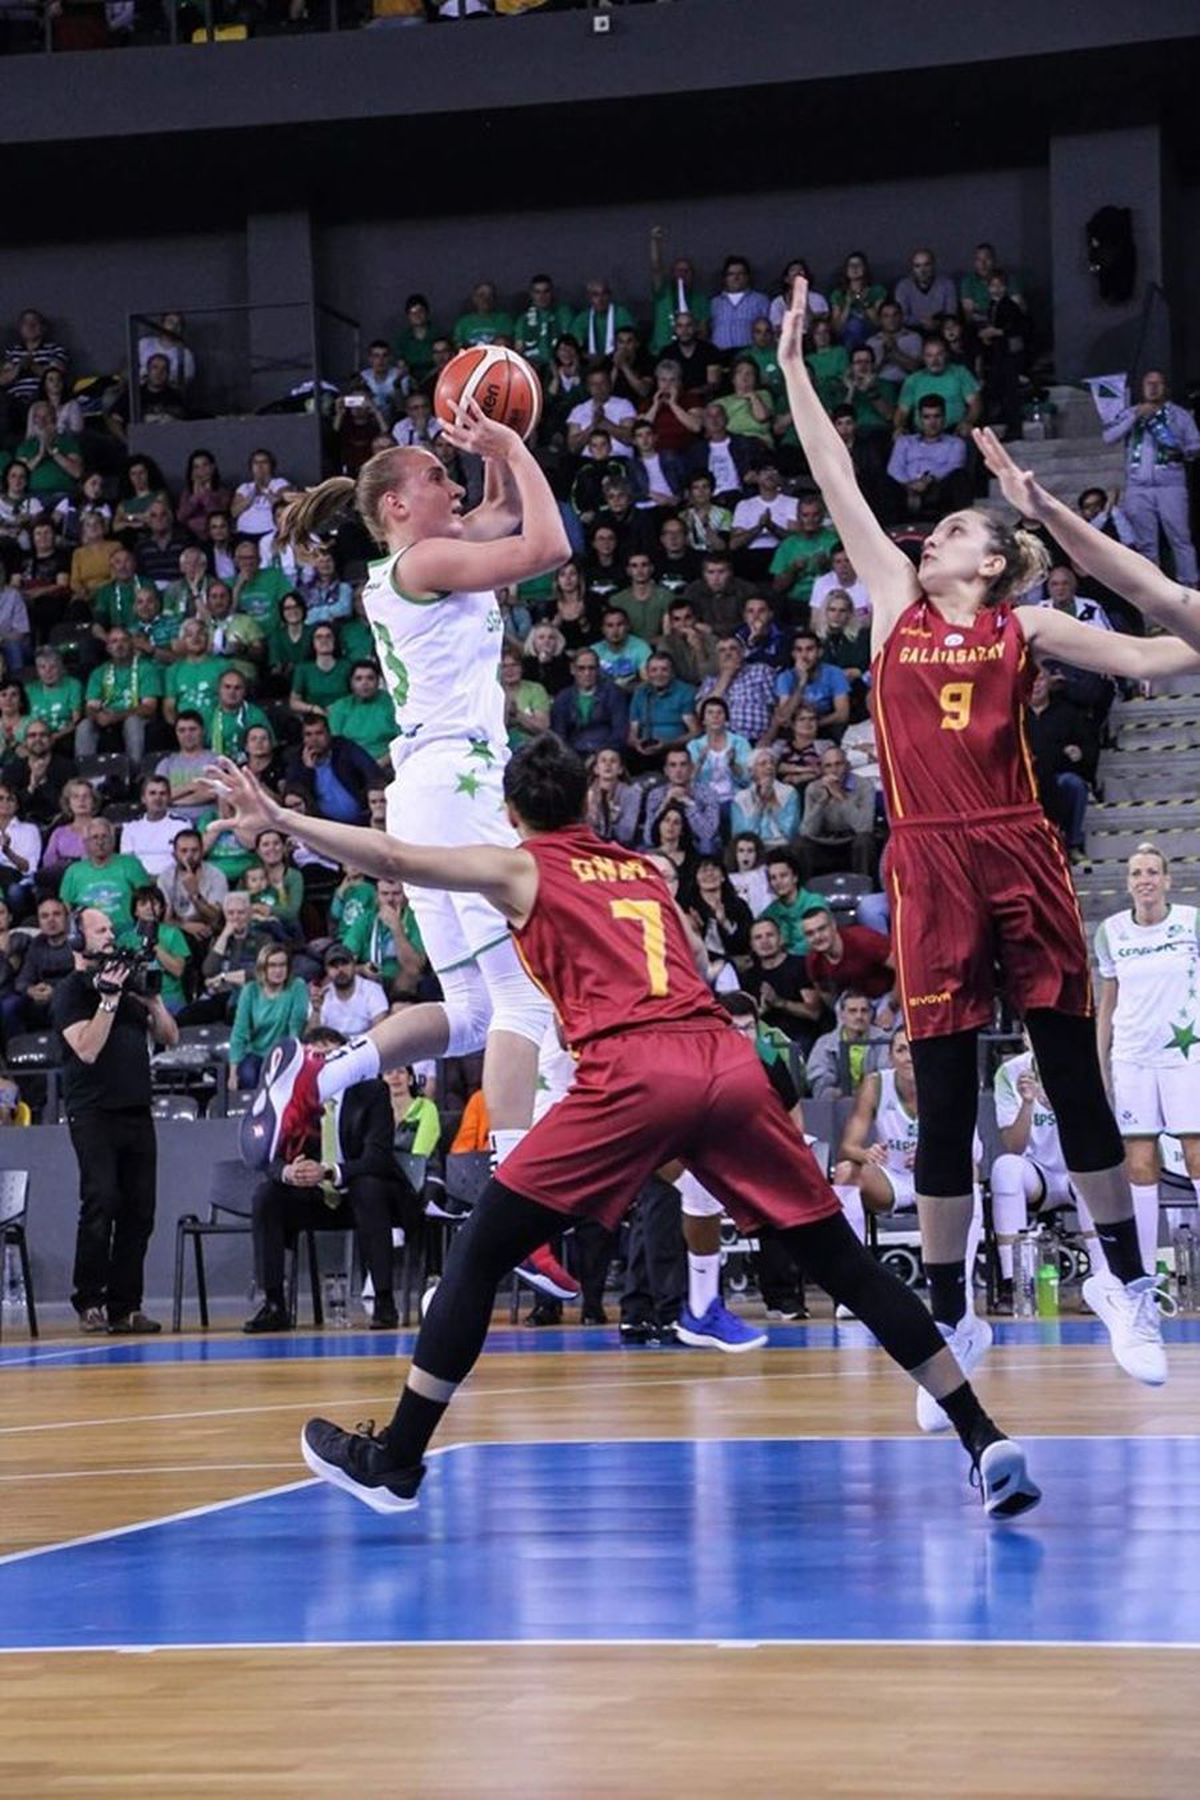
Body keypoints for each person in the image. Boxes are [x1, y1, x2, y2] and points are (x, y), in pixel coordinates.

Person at [214, 737, 1038, 1521]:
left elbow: (394, 858)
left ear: (513, 812)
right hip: (721, 1057)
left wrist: (280, 821)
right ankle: (983, 1436)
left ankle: (397, 1458)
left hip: (635, 1071)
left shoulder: (520, 866)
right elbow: (680, 955)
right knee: (844, 1264)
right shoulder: (643, 866)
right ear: (587, 801)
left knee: (479, 1250)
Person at [780, 274, 1196, 1400]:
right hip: (926, 855)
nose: (930, 537)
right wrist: (790, 367)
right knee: (949, 1097)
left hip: (1017, 846)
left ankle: (1124, 1284)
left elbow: (1164, 652)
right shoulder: (886, 604)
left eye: (955, 530)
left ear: (994, 562)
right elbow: (834, 480)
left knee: (1071, 1074)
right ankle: (958, 1315)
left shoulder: (1030, 624)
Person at [242, 400, 562, 1245]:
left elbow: (502, 515)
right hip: (458, 782)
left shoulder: (418, 560)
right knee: (525, 999)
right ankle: (512, 1202)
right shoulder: (419, 563)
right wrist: (508, 444)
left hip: (433, 780)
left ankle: (326, 1068)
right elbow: (547, 546)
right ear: (395, 505)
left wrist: (494, 448)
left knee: (470, 1008)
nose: (451, 484)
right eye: (436, 477)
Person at [53, 904, 179, 1333]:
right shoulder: (71, 991)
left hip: (136, 1108)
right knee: (101, 1201)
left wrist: (155, 1002)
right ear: (77, 940)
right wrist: (107, 1002)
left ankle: (126, 1306)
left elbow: (170, 1037)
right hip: (92, 1112)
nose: (110, 934)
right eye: (100, 929)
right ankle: (90, 1300)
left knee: (140, 1211)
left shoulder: (128, 988)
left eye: (111, 927)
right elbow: (86, 1050)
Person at [244, 1026, 406, 1334]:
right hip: (313, 1197)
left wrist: (329, 1170)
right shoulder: (294, 1098)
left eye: (330, 1054)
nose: (321, 1062)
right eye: (314, 1056)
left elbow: (378, 1158)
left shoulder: (372, 1091)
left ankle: (384, 1301)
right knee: (267, 1196)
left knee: (368, 1188)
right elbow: (268, 1155)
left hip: (359, 1194)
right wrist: (287, 1172)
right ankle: (274, 1304)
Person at [1095, 843, 1200, 1277]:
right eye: (1137, 873)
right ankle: (1139, 1277)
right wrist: (1099, 1060)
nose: (1145, 880)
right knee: (1138, 1162)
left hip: (1185, 1054)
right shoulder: (1111, 931)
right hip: (1133, 1057)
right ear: (1128, 883)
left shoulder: (1192, 922)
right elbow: (1108, 1000)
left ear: (1167, 880)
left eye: (1153, 872)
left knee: (1196, 1155)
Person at [1101, 370, 1200, 585]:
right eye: (1149, 383)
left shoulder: (1179, 415)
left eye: (1158, 383)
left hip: (1171, 485)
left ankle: (1191, 586)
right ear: (1142, 388)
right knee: (1146, 543)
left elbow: (1195, 446)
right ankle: (1152, 589)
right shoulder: (1131, 413)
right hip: (1138, 487)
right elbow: (1109, 436)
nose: (1153, 387)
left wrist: (1180, 450)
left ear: (1166, 388)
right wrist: (1136, 416)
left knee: (1180, 538)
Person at [316, 942, 389, 1038]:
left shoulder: (372, 990)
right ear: (327, 970)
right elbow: (312, 1038)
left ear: (354, 965)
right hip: (333, 1049)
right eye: (334, 966)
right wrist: (316, 1011)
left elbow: (381, 1031)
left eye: (345, 963)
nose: (340, 970)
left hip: (365, 1047)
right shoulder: (323, 995)